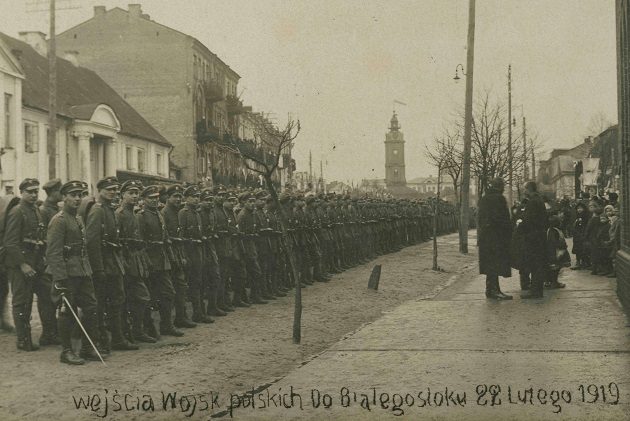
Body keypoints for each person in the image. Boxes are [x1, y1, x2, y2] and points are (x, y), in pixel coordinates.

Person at [46, 180, 100, 365]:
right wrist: (60, 279)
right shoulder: (59, 220)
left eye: (80, 195)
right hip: (67, 273)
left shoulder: (78, 218)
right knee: (67, 311)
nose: (78, 199)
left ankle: (86, 348)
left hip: (83, 271)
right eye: (73, 195)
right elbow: (53, 252)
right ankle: (66, 352)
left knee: (91, 308)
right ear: (64, 197)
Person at [85, 176, 138, 352]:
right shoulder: (97, 210)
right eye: (109, 189)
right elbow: (92, 242)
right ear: (99, 191)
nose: (113, 192)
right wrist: (98, 269)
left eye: (115, 189)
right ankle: (100, 341)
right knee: (99, 304)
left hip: (114, 263)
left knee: (117, 301)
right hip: (103, 264)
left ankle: (117, 338)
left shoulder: (110, 209)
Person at [4, 178, 58, 350]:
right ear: (22, 193)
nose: (34, 195)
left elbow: (40, 237)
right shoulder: (17, 211)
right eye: (30, 191)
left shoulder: (35, 210)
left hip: (36, 262)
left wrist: (42, 258)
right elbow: (10, 243)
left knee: (48, 295)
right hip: (20, 264)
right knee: (22, 301)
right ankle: (23, 339)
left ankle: (49, 334)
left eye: (36, 191)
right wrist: (23, 265)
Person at [137, 185, 184, 337]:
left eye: (157, 197)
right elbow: (140, 242)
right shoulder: (141, 216)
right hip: (149, 261)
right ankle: (147, 327)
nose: (155, 200)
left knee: (168, 293)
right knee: (148, 296)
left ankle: (166, 325)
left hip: (162, 260)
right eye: (151, 198)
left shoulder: (158, 213)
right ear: (143, 200)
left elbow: (166, 239)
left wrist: (171, 257)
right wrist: (146, 262)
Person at [477, 177, 513, 300]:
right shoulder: (498, 199)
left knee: (490, 265)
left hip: (486, 237)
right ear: (499, 187)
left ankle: (491, 289)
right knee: (495, 264)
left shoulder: (484, 198)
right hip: (496, 237)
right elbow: (503, 219)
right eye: (502, 186)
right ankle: (494, 290)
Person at [519, 181, 548, 299]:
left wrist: (520, 225)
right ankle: (537, 290)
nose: (524, 191)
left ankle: (535, 291)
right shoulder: (538, 200)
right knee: (538, 263)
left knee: (535, 264)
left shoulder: (533, 202)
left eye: (525, 189)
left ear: (529, 189)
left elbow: (528, 220)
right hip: (539, 236)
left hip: (533, 237)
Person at [545, 214, 569, 289]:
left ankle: (550, 281)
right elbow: (554, 242)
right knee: (555, 268)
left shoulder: (551, 230)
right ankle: (554, 282)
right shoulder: (554, 231)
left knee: (554, 267)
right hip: (556, 251)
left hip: (554, 251)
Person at [571, 202, 591, 270]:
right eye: (578, 208)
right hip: (577, 236)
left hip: (583, 235)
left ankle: (585, 262)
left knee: (584, 249)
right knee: (577, 249)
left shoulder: (586, 217)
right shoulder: (576, 216)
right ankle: (578, 262)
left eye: (581, 208)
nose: (579, 210)